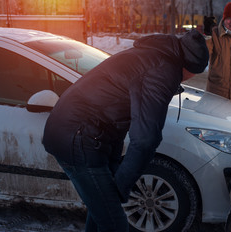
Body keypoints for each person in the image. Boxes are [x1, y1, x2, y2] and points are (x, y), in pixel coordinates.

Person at [42, 29, 209, 232]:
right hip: (77, 137)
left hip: (83, 133)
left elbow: (117, 109)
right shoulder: (163, 70)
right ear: (190, 69)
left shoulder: (153, 55)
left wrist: (115, 165)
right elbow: (146, 138)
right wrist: (121, 186)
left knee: (103, 214)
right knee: (115, 223)